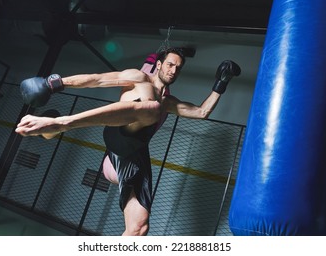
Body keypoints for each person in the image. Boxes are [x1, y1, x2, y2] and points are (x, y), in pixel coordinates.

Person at [15, 47, 241, 236]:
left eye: (178, 68)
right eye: (170, 64)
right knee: (152, 108)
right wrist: (55, 83)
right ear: (159, 65)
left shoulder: (169, 102)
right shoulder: (139, 78)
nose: (173, 71)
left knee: (139, 228)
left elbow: (202, 112)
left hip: (135, 155)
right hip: (117, 142)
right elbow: (98, 80)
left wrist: (221, 83)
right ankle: (61, 124)